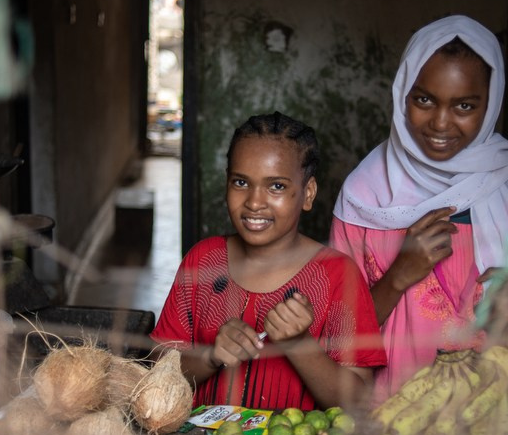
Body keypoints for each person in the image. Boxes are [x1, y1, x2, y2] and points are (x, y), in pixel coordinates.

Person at [329, 15, 508, 402]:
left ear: (491, 104)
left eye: (464, 105)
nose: (441, 123)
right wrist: (396, 278)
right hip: (395, 417)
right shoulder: (366, 195)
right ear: (402, 95)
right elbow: (337, 337)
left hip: (507, 410)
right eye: (424, 99)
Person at [151, 112, 387, 411]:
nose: (254, 202)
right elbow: (159, 370)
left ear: (308, 193)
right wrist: (212, 355)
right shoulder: (204, 260)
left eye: (276, 186)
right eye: (240, 182)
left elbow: (359, 401)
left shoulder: (338, 275)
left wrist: (299, 344)